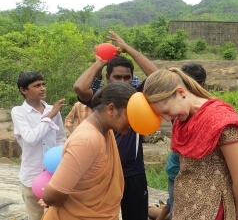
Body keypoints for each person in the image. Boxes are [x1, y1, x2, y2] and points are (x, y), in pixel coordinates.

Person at [142, 68, 238, 220]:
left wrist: (237, 213)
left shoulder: (221, 121)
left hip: (214, 212)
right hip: (186, 208)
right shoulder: (184, 121)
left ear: (181, 93)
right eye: (162, 115)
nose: (168, 119)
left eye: (167, 111)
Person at [73, 31, 158, 220]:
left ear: (132, 78)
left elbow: (157, 76)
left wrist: (129, 49)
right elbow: (80, 88)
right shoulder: (100, 100)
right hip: (104, 172)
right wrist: (100, 62)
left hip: (133, 172)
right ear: (107, 78)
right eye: (116, 77)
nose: (122, 81)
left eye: (127, 77)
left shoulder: (139, 97)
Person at [39, 82, 136, 220]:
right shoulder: (87, 140)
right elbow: (52, 194)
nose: (134, 122)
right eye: (130, 114)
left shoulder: (106, 131)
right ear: (111, 109)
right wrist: (48, 198)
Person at [149, 62, 208, 220]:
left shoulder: (211, 115)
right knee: (177, 212)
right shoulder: (177, 109)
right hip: (176, 172)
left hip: (200, 178)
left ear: (201, 85)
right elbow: (157, 82)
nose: (168, 118)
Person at [11, 71, 66, 220]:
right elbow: (30, 138)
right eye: (36, 85)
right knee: (35, 216)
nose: (42, 88)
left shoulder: (52, 110)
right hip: (30, 176)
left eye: (43, 84)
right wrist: (50, 116)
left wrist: (60, 159)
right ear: (23, 90)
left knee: (57, 215)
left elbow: (60, 138)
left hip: (53, 176)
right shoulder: (18, 112)